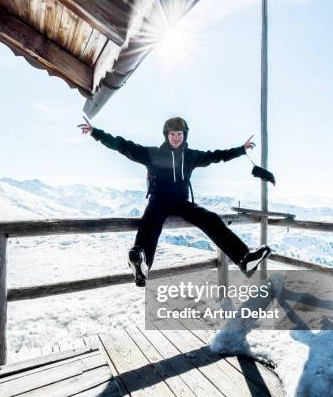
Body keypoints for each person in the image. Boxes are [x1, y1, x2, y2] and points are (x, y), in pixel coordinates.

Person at [78, 117, 271, 287]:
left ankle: (244, 259)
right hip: (159, 201)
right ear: (166, 135)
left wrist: (240, 150)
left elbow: (216, 156)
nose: (176, 137)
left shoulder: (191, 156)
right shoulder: (153, 154)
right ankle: (142, 266)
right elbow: (123, 146)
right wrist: (96, 133)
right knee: (149, 224)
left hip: (181, 203)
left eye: (180, 134)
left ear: (185, 135)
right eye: (172, 134)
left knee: (210, 219)